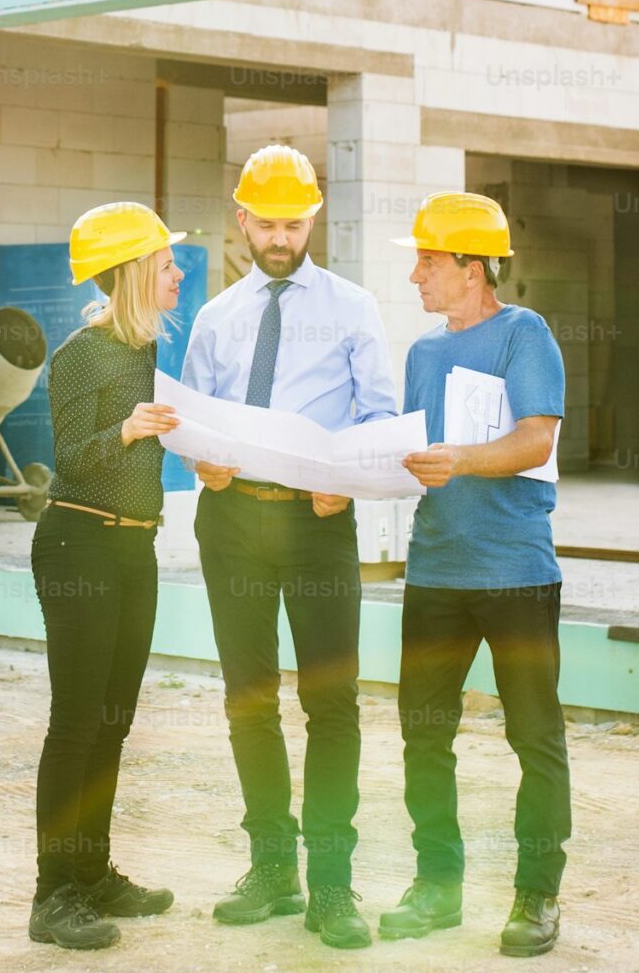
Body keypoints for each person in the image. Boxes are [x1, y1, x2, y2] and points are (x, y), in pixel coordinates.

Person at [179, 144, 399, 950]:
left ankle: (331, 884)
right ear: (242, 219)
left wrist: (348, 474)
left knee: (331, 702)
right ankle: (273, 868)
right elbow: (193, 414)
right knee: (249, 696)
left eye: (294, 224)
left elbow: (381, 415)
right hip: (232, 521)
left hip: (316, 523)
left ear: (314, 220)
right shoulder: (216, 317)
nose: (280, 238)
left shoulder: (353, 308)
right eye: (268, 223)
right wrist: (199, 457)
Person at [379, 191, 571, 959]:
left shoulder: (525, 334)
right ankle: (437, 885)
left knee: (534, 735)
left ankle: (537, 893)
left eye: (427, 261)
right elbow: (418, 453)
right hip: (436, 573)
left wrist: (458, 457)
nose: (416, 276)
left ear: (473, 266)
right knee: (423, 734)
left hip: (516, 572)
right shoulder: (422, 354)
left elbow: (534, 439)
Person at [28, 201, 188, 951]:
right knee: (76, 722)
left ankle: (91, 873)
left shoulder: (153, 353)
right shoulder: (82, 354)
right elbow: (68, 459)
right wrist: (126, 429)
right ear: (132, 272)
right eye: (166, 264)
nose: (178, 274)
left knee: (115, 720)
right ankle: (52, 893)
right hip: (79, 544)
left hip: (134, 549)